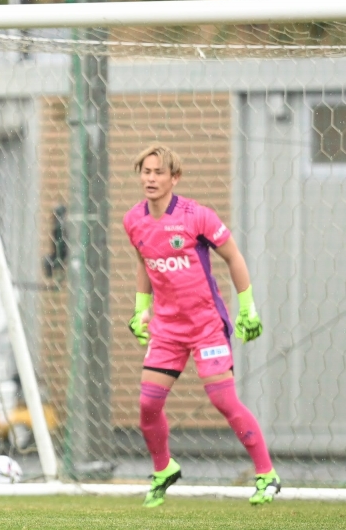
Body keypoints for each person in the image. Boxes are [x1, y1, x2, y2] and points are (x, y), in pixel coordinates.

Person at [123, 144, 280, 507]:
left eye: (158, 172)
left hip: (206, 324)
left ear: (174, 178)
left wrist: (248, 308)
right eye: (145, 171)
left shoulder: (197, 217)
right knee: (147, 405)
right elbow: (144, 263)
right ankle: (164, 468)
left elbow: (233, 256)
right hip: (166, 329)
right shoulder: (133, 220)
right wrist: (140, 310)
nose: (150, 178)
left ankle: (267, 475)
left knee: (223, 399)